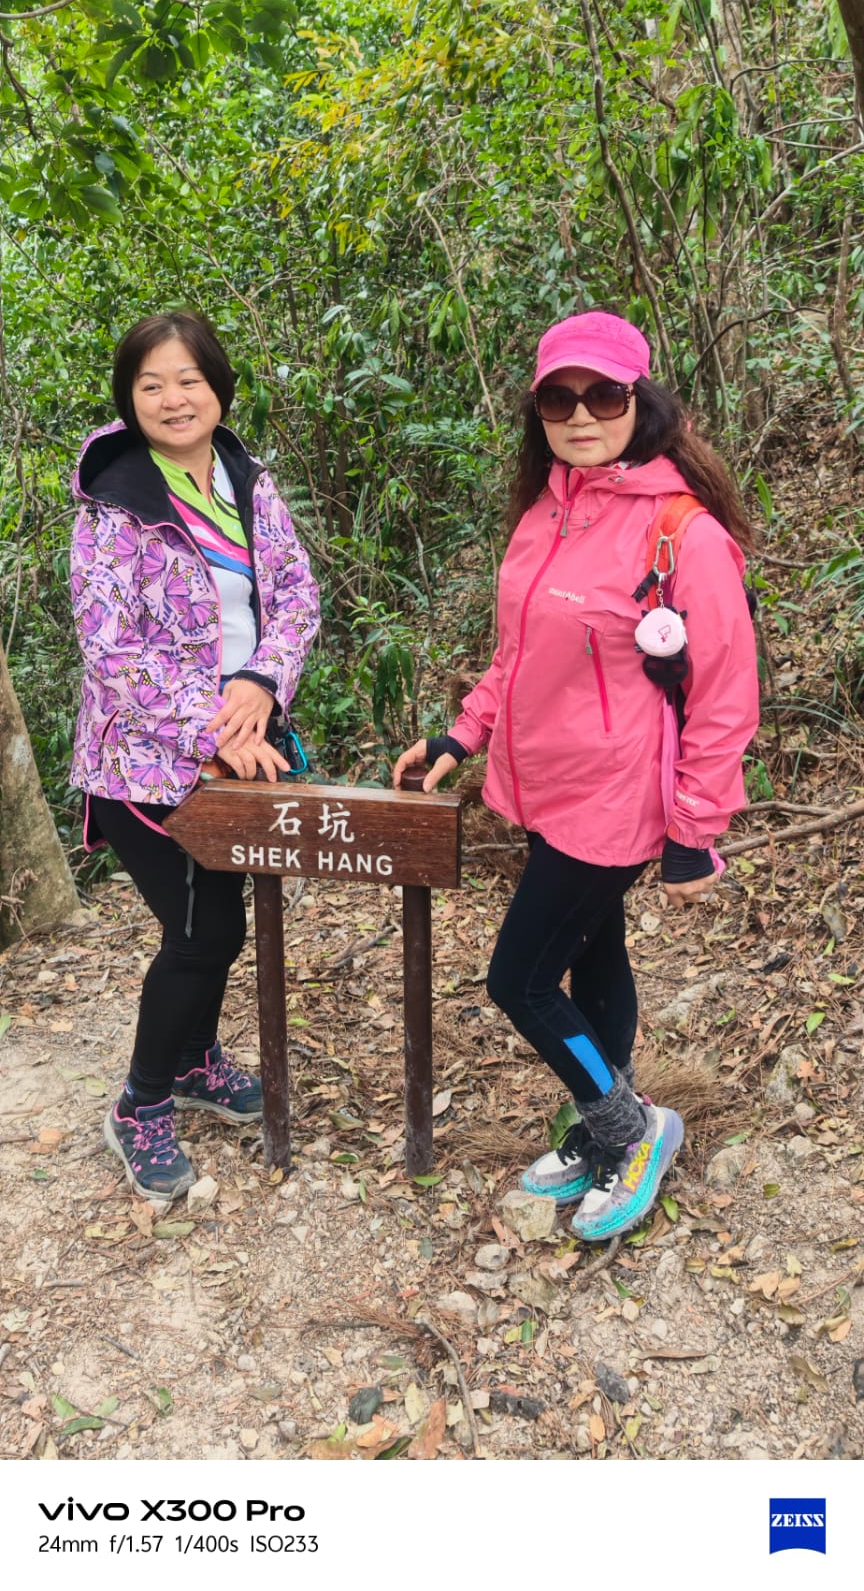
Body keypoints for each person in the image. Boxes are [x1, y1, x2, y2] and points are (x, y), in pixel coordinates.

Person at [393, 310, 759, 1242]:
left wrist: (694, 830)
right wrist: (460, 735)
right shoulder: (545, 512)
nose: (582, 414)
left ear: (642, 401)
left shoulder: (683, 534)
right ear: (539, 412)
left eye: (604, 395)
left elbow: (725, 697)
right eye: (560, 399)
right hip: (543, 787)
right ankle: (606, 1124)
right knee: (595, 953)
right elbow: (518, 656)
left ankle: (633, 1132)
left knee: (517, 980)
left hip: (615, 798)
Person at [70, 311, 319, 1211]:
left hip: (240, 746)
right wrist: (215, 727)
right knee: (200, 933)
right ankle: (140, 1104)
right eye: (152, 385)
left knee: (220, 924)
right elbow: (111, 647)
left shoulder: (246, 480)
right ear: (129, 400)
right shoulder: (115, 503)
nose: (174, 399)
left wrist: (260, 683)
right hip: (142, 763)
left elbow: (296, 594)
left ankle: (192, 1061)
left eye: (189, 380)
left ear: (218, 388)